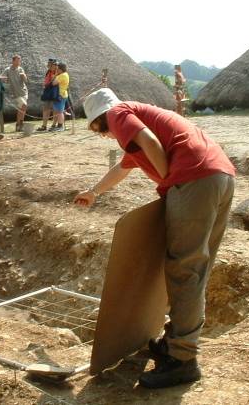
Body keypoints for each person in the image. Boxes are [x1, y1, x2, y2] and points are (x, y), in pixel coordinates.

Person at [74, 88, 235, 389]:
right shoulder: (136, 118)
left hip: (193, 180)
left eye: (97, 130)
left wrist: (167, 183)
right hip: (219, 176)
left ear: (98, 119)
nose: (102, 135)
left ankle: (183, 361)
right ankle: (176, 343)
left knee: (184, 270)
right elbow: (123, 167)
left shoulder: (118, 114)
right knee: (194, 267)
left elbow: (149, 141)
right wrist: (93, 192)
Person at [0, 55, 28, 132]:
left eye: (20, 61)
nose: (19, 62)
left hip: (24, 92)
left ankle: (19, 125)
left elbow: (26, 80)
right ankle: (20, 124)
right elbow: (0, 77)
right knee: (24, 106)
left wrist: (24, 76)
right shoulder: (8, 70)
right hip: (15, 93)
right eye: (18, 60)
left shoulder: (21, 69)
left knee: (21, 109)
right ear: (13, 61)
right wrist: (4, 78)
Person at [37, 59, 58, 131]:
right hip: (47, 91)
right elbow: (47, 81)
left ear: (55, 65)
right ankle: (44, 125)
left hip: (55, 92)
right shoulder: (48, 72)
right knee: (46, 108)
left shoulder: (58, 73)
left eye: (50, 64)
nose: (49, 66)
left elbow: (56, 82)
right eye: (48, 64)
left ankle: (54, 125)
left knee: (55, 109)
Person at [49, 62, 70, 132]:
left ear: (61, 69)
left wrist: (55, 76)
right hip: (62, 94)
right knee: (58, 111)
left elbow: (53, 83)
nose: (56, 70)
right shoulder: (65, 74)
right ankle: (59, 125)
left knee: (59, 112)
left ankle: (60, 126)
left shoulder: (62, 75)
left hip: (60, 95)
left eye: (58, 69)